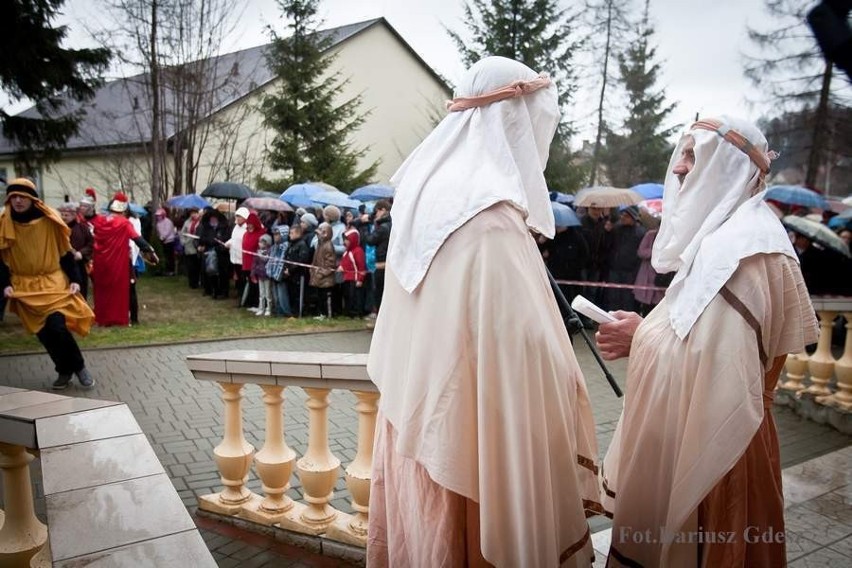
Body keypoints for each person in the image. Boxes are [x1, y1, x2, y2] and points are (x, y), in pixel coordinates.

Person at [367, 56, 600, 567]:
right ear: (515, 121)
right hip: (468, 448)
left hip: (416, 425)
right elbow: (523, 352)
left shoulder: (426, 198)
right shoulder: (489, 221)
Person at [596, 117, 819, 567]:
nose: (678, 168)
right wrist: (646, 328)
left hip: (721, 451)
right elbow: (693, 334)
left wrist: (639, 337)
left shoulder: (746, 252)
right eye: (681, 153)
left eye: (693, 156)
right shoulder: (723, 240)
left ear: (730, 167)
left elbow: (720, 380)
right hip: (689, 431)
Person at [0, 179, 96, 389]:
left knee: (57, 327)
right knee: (44, 334)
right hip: (24, 287)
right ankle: (63, 371)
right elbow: (1, 258)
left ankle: (79, 367)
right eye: (13, 196)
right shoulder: (4, 222)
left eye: (22, 196)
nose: (17, 200)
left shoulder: (49, 220)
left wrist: (75, 280)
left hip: (53, 282)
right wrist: (5, 283)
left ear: (32, 198)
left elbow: (65, 252)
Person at [91, 192, 158, 327]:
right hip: (120, 262)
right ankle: (121, 318)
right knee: (125, 290)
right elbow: (137, 238)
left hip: (103, 263)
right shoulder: (124, 223)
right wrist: (150, 251)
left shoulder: (101, 221)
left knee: (106, 290)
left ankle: (107, 318)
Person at [59, 201, 94, 301]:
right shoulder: (57, 229)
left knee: (80, 294)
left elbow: (91, 243)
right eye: (62, 214)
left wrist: (81, 253)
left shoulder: (83, 228)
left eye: (67, 215)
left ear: (74, 215)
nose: (64, 217)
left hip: (79, 265)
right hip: (61, 267)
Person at [363, 199, 392, 314]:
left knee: (379, 294)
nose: (375, 215)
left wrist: (366, 227)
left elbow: (370, 240)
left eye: (377, 212)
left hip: (381, 264)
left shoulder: (383, 228)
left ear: (383, 210)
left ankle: (381, 317)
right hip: (390, 263)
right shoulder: (392, 224)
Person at [309, 222, 336, 319]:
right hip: (318, 276)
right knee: (320, 296)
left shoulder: (328, 246)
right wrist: (312, 269)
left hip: (325, 278)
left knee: (325, 297)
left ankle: (327, 314)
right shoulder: (320, 245)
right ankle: (321, 313)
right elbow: (316, 259)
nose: (317, 236)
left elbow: (331, 264)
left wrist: (322, 273)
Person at [338, 227, 366, 317]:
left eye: (347, 240)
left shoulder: (358, 251)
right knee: (347, 296)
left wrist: (360, 279)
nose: (345, 242)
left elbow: (361, 266)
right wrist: (341, 267)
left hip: (354, 279)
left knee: (355, 297)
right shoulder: (347, 252)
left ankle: (357, 312)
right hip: (346, 278)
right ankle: (348, 312)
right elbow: (344, 262)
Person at [225, 207, 249, 304]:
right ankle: (239, 294)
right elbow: (234, 239)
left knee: (243, 279)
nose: (238, 218)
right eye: (237, 216)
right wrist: (228, 243)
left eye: (240, 216)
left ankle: (243, 296)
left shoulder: (246, 228)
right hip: (234, 257)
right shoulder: (236, 227)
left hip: (242, 258)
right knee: (237, 277)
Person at [180, 208, 202, 289]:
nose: (193, 215)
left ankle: (197, 281)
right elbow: (182, 233)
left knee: (197, 265)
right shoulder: (187, 222)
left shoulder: (201, 221)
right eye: (192, 213)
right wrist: (183, 241)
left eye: (195, 213)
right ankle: (192, 282)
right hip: (188, 245)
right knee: (190, 266)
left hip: (197, 245)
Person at [154, 208, 177, 275]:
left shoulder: (168, 222)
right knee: (165, 256)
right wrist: (160, 238)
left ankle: (171, 271)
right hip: (162, 241)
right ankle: (165, 270)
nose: (158, 217)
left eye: (159, 215)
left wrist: (163, 237)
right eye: (157, 216)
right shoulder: (158, 223)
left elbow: (168, 231)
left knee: (170, 256)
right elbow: (159, 232)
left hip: (169, 241)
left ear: (163, 215)